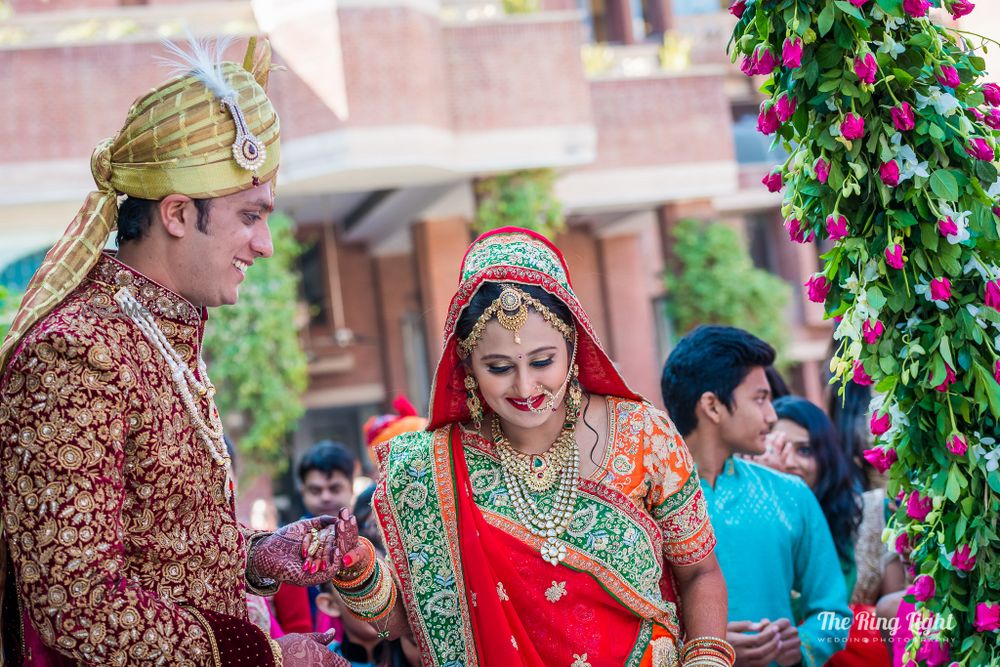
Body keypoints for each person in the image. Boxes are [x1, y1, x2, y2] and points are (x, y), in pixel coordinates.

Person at [0, 39, 346, 666]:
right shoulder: (77, 354)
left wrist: (256, 556)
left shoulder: (156, 335)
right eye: (250, 215)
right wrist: (263, 658)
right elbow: (76, 602)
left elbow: (159, 544)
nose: (264, 243)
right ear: (179, 213)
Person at [321, 227, 733, 667]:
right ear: (467, 364)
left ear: (573, 346)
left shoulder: (642, 435)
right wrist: (356, 567)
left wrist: (705, 660)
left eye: (542, 361)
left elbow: (700, 574)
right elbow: (420, 620)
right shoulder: (430, 471)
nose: (526, 387)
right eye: (499, 367)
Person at [661, 326, 851, 667]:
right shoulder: (647, 502)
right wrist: (703, 646)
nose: (772, 415)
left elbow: (836, 617)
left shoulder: (791, 495)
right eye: (760, 399)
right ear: (713, 406)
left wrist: (804, 645)